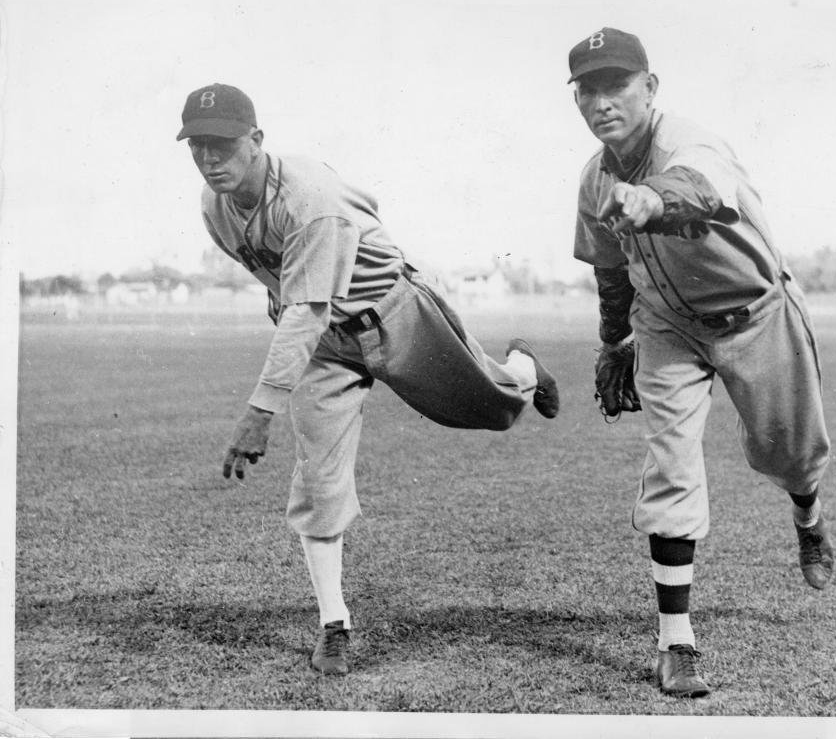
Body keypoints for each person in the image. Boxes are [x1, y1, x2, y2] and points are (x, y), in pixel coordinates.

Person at [175, 83, 559, 676]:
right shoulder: (213, 205)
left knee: (494, 406)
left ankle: (525, 367)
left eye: (222, 142)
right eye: (197, 144)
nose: (209, 157)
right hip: (323, 344)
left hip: (393, 310)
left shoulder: (310, 196)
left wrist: (261, 408)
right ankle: (334, 623)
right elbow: (289, 295)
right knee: (319, 482)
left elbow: (306, 305)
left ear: (256, 139)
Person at [566, 28, 833, 698]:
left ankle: (808, 519)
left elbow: (699, 190)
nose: (602, 102)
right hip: (666, 325)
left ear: (649, 88)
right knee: (671, 465)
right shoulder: (593, 176)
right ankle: (675, 642)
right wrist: (615, 339)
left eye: (617, 84)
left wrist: (649, 199)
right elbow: (608, 269)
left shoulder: (690, 141)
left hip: (756, 311)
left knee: (791, 454)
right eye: (588, 89)